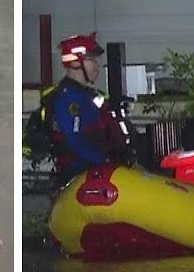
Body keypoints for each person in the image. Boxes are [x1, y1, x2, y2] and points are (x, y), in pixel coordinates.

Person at [35, 34, 134, 190]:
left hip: (97, 173)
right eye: (91, 60)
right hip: (80, 178)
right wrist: (105, 161)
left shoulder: (87, 96)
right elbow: (74, 141)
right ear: (75, 62)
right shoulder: (68, 99)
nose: (97, 66)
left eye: (97, 60)